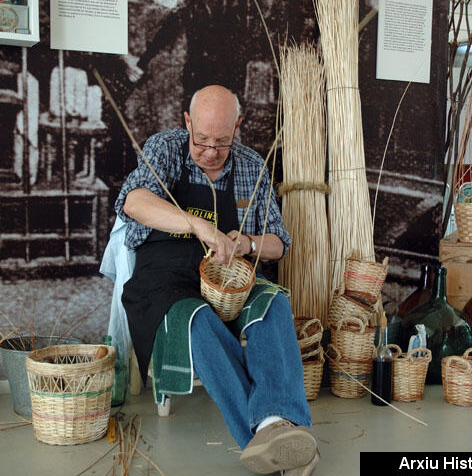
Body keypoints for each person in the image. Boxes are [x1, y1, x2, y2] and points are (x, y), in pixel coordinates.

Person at [114, 85, 319, 475]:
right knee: (199, 319)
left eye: (222, 142)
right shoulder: (166, 149)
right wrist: (197, 225)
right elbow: (133, 202)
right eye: (202, 140)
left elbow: (279, 244)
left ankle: (276, 425)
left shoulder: (251, 166)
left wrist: (248, 242)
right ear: (187, 123)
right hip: (164, 280)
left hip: (230, 279)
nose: (210, 152)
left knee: (273, 302)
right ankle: (269, 434)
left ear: (238, 127)